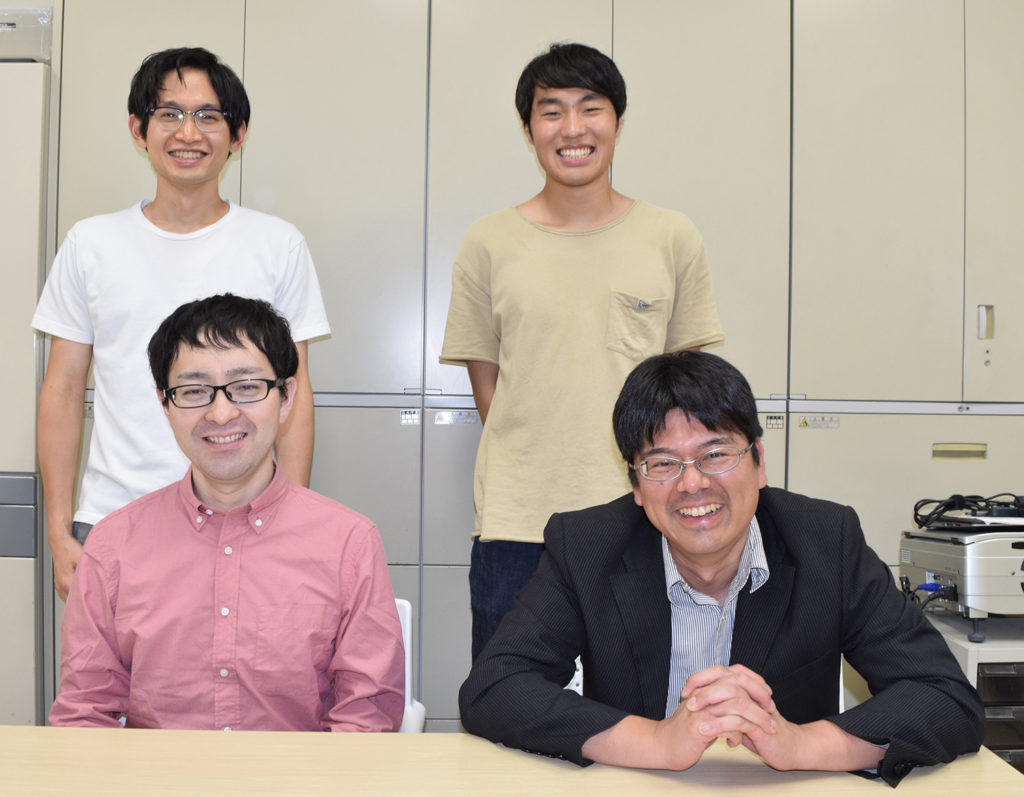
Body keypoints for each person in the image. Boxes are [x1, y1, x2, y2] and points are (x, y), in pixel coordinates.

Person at [459, 352, 985, 786]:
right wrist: (657, 742)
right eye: (662, 463)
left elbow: (946, 698)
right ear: (636, 486)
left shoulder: (826, 542)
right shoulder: (587, 546)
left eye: (716, 454)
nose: (692, 485)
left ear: (758, 460)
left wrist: (798, 743)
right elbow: (494, 688)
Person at [440, 42, 724, 659]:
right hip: (518, 524)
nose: (573, 129)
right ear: (528, 129)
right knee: (509, 703)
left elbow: (690, 393)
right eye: (552, 111)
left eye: (590, 108)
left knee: (644, 704)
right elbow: (489, 386)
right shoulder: (489, 241)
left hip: (643, 516)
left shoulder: (670, 237)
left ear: (618, 122)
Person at [32, 46, 330, 601]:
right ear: (138, 130)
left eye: (207, 116)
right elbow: (64, 388)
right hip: (114, 518)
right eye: (168, 113)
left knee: (244, 688)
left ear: (237, 135)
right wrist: (58, 532)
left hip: (246, 520)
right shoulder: (91, 243)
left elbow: (295, 391)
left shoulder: (277, 244)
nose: (186, 132)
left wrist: (290, 521)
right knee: (109, 689)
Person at [50, 294, 403, 731]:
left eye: (247, 387)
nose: (221, 413)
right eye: (194, 391)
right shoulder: (112, 545)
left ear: (286, 395)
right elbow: (85, 713)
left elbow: (364, 718)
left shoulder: (349, 542)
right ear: (165, 403)